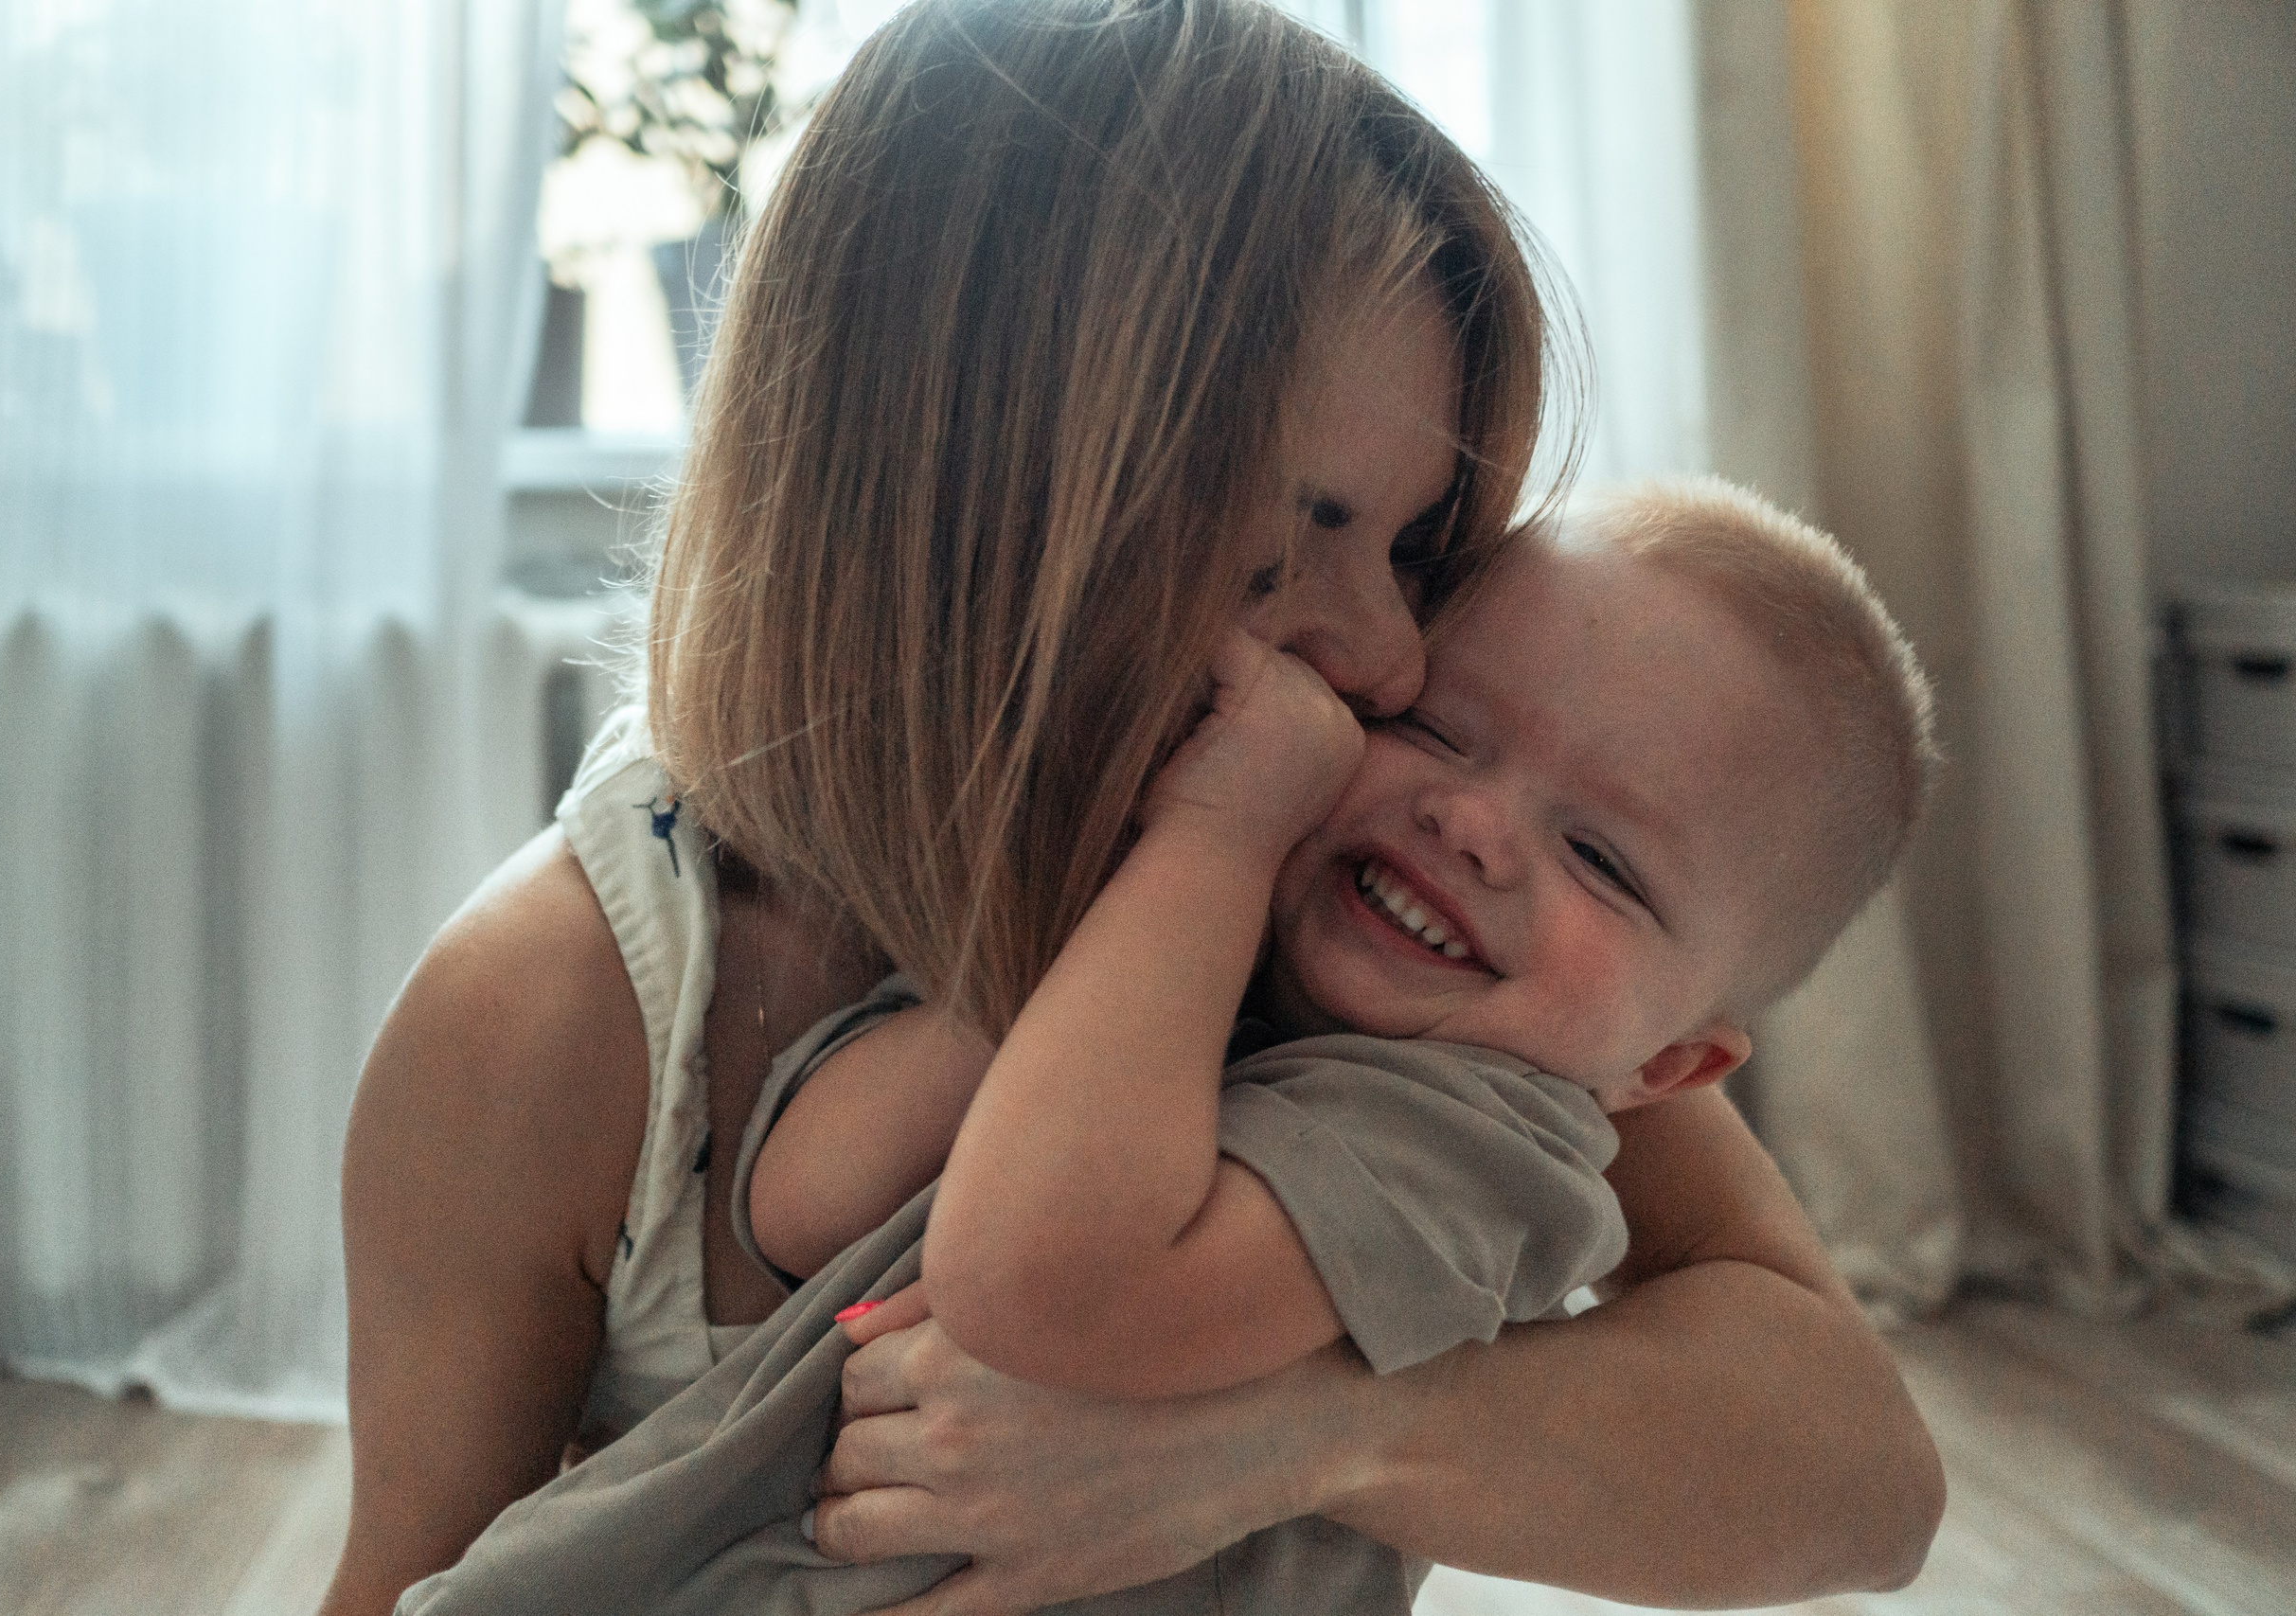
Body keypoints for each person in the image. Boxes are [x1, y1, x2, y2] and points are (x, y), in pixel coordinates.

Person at [318, 3, 1944, 1613]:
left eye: (1416, 548)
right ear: (977, 481)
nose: (1390, 654)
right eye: (1298, 532)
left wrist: (1287, 1438)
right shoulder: (549, 1012)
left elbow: (1865, 1490)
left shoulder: (1418, 925)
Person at [386, 479, 1939, 1614]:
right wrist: (1124, 912)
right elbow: (803, 1196)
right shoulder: (581, 962)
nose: (1469, 821)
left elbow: (1049, 1278)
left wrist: (1308, 1436)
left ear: (1668, 1070)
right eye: (1446, 731)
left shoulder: (1471, 1109)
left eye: (1606, 859)